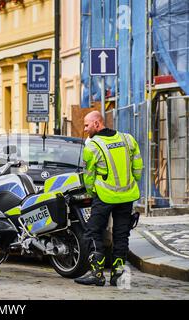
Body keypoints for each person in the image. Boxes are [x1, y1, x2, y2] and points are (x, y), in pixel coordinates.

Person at [74, 111, 143, 286]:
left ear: (97, 124)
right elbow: (138, 165)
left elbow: (88, 176)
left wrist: (92, 193)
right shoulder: (127, 139)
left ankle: (96, 273)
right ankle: (117, 274)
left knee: (92, 232)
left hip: (104, 197)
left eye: (87, 125)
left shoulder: (93, 146)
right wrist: (132, 181)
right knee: (121, 234)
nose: (85, 129)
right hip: (127, 196)